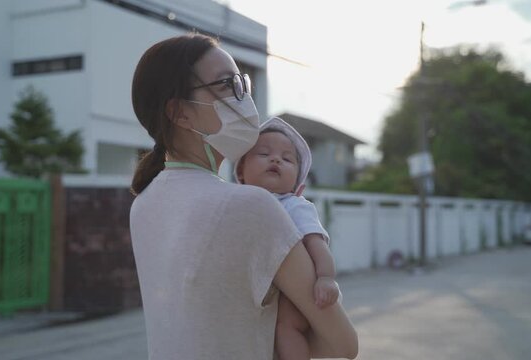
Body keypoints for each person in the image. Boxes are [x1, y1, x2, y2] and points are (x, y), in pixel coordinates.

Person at [128, 33, 358, 360]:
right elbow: (344, 344)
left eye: (242, 85)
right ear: (179, 113)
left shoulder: (142, 204)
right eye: (226, 85)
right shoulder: (251, 206)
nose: (242, 98)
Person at [234, 117, 340, 360]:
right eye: (263, 153)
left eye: (287, 158)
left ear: (299, 186)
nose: (275, 159)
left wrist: (326, 278)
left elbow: (317, 244)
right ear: (240, 171)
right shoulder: (237, 206)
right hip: (264, 290)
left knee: (286, 327)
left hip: (302, 292)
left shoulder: (293, 205)